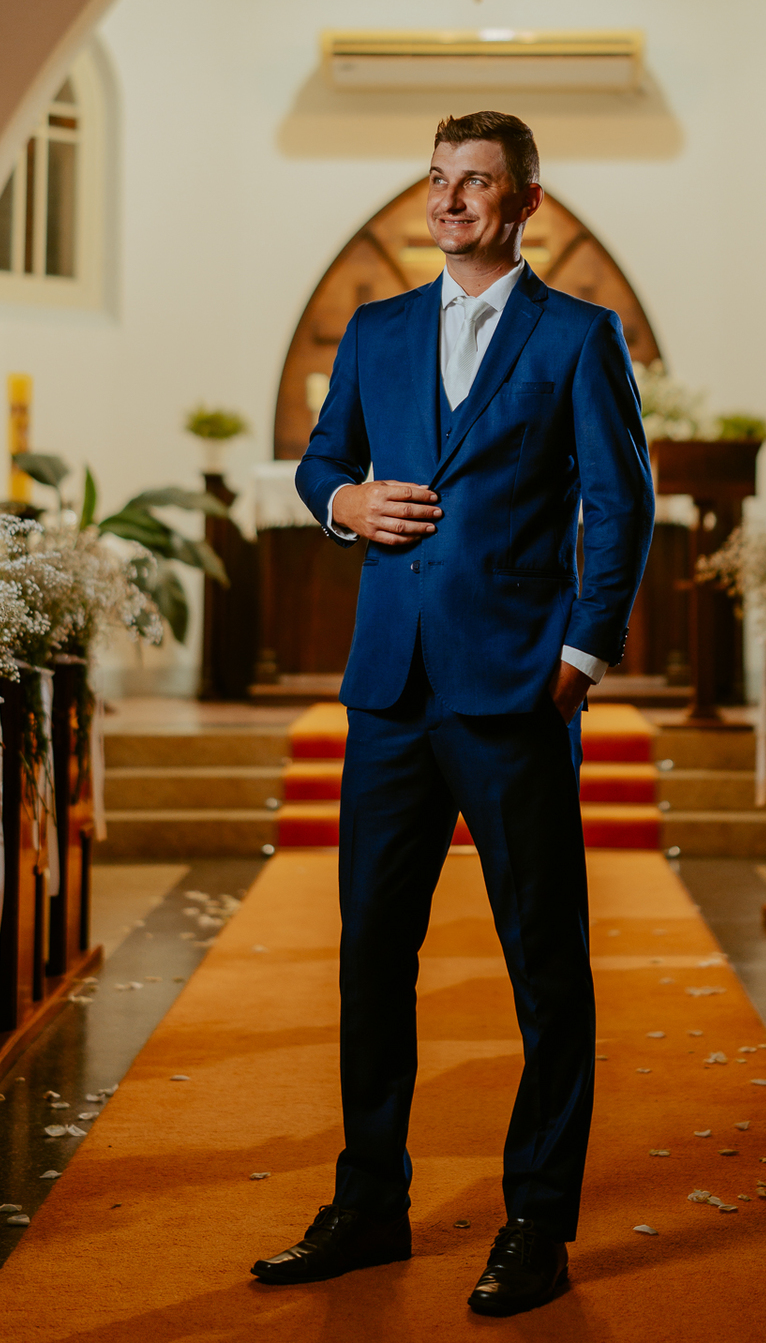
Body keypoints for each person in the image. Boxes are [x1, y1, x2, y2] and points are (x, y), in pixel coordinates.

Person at [252, 110, 654, 1317]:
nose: (449, 200)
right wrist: (346, 505)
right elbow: (321, 463)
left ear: (526, 201)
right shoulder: (373, 334)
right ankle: (370, 1201)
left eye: (476, 182)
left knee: (546, 966)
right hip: (387, 691)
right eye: (437, 180)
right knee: (372, 955)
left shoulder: (580, 336)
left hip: (517, 689)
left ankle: (537, 1220)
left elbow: (621, 503)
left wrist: (580, 655)